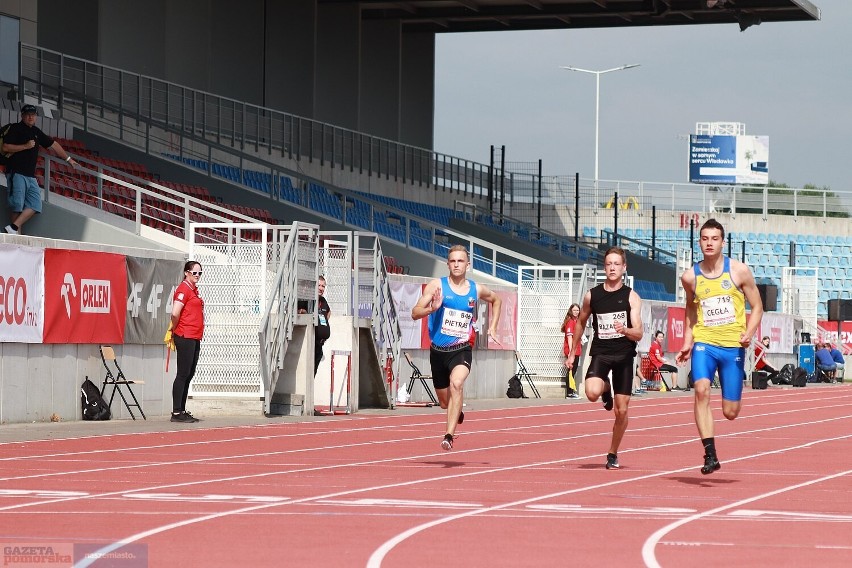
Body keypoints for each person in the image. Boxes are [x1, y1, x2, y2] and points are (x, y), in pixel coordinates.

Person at [676, 219, 763, 475]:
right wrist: (687, 342)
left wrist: (749, 333)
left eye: (714, 239)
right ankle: (710, 454)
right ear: (699, 241)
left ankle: (732, 395)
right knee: (701, 390)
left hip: (733, 347)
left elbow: (757, 307)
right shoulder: (690, 276)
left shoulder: (739, 271)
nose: (709, 243)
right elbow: (691, 308)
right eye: (705, 239)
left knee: (730, 412)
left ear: (723, 242)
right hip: (705, 343)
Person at [411, 245, 502, 451]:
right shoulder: (437, 286)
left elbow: (497, 300)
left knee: (457, 383)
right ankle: (456, 410)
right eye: (453, 261)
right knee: (445, 403)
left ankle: (448, 436)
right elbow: (414, 313)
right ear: (448, 264)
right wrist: (431, 308)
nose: (456, 265)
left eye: (461, 261)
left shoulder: (475, 289)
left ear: (468, 265)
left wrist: (493, 328)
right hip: (438, 352)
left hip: (461, 348)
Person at [566, 246, 643, 470]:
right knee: (591, 393)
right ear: (604, 267)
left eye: (616, 264)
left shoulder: (631, 297)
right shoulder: (593, 295)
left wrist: (625, 330)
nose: (612, 268)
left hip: (624, 355)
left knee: (621, 411)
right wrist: (572, 353)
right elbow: (580, 321)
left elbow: (639, 332)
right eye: (608, 264)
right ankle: (605, 388)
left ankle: (612, 452)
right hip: (601, 352)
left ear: (624, 268)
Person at [1, 104, 79, 234]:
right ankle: (16, 238)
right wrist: (25, 146)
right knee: (17, 207)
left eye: (33, 114)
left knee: (35, 205)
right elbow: (5, 147)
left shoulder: (35, 132)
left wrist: (68, 159)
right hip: (16, 172)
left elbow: (53, 144)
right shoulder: (16, 128)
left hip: (30, 175)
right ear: (22, 115)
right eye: (28, 114)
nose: (31, 117)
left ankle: (13, 229)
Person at [169, 261, 205, 423]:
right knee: (183, 373)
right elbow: (175, 312)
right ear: (186, 273)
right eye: (194, 272)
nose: (197, 276)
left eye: (199, 273)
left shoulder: (193, 290)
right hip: (185, 335)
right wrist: (175, 329)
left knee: (189, 373)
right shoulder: (183, 289)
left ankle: (182, 409)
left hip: (195, 336)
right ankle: (176, 412)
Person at [299, 276, 331, 376]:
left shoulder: (323, 301)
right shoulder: (307, 299)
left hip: (319, 345)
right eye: (319, 285)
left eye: (323, 286)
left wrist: (323, 326)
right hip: (310, 343)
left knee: (313, 374)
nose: (321, 288)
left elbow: (329, 312)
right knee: (307, 374)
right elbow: (299, 312)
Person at [561, 303, 583, 398]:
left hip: (577, 349)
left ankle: (572, 391)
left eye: (577, 310)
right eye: (574, 310)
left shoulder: (577, 321)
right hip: (572, 351)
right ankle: (569, 393)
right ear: (571, 311)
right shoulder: (570, 321)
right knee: (571, 371)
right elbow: (569, 337)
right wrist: (570, 353)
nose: (576, 312)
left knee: (573, 371)